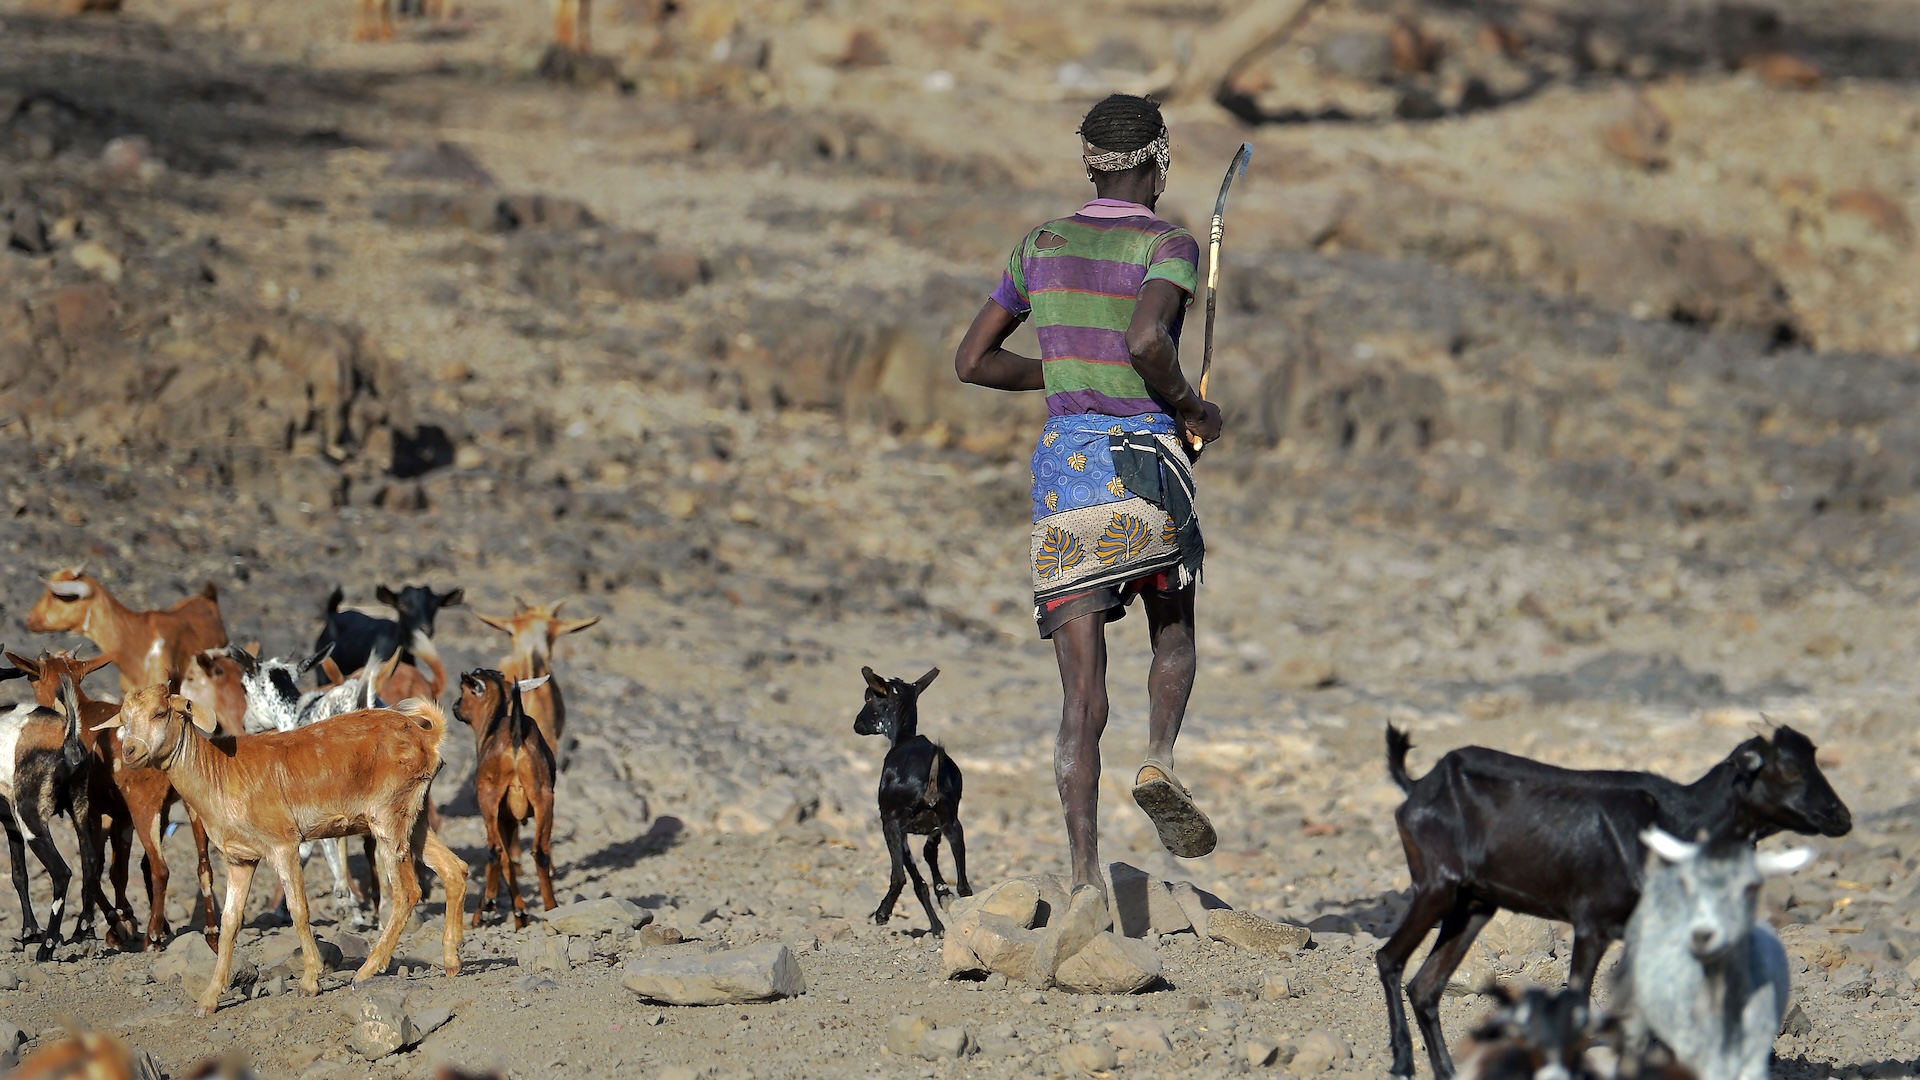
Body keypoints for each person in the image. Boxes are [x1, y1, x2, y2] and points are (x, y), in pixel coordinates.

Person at [954, 94, 1224, 904]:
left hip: (1064, 481)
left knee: (1080, 695)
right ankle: (1160, 758)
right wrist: (1189, 406)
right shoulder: (1169, 245)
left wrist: (1064, 369)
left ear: (1088, 161)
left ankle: (1082, 881)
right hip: (1143, 469)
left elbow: (972, 360)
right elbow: (1147, 342)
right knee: (1172, 632)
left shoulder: (1038, 246)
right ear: (1160, 160)